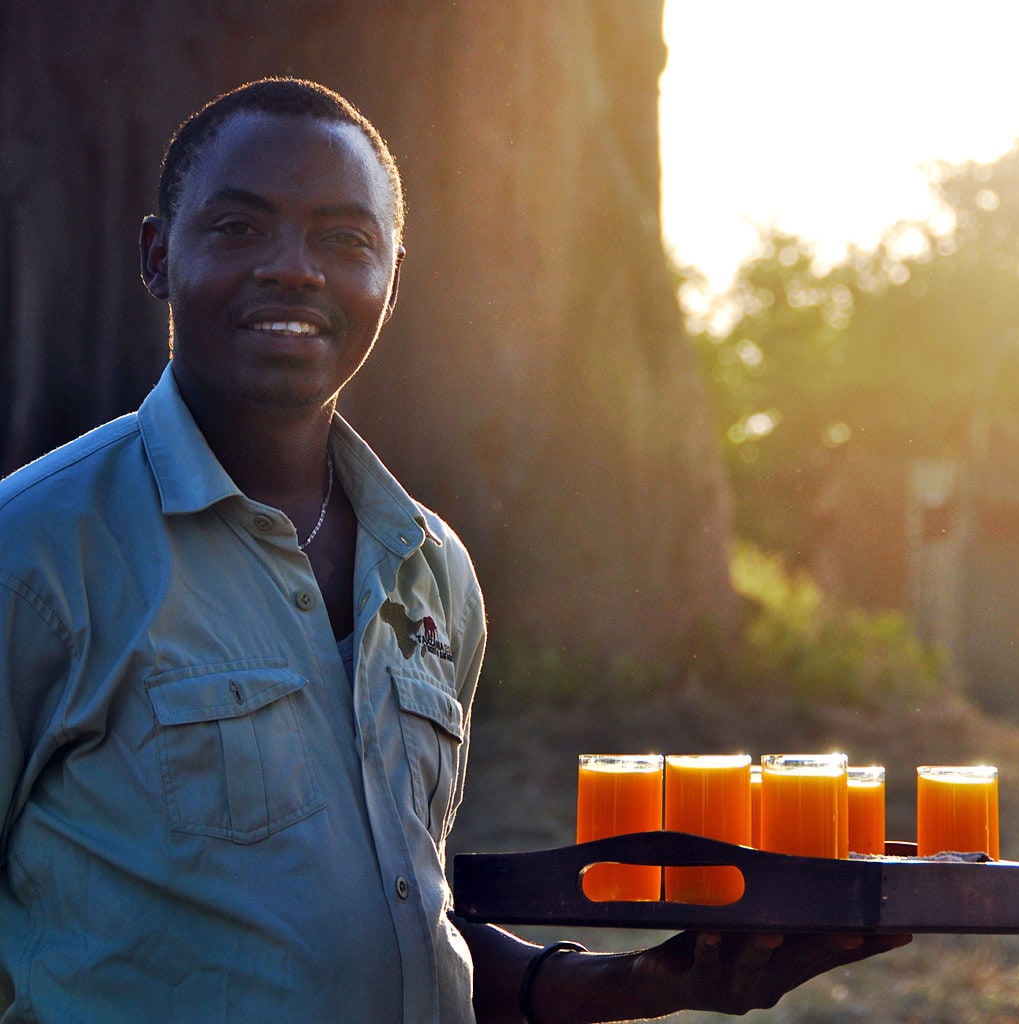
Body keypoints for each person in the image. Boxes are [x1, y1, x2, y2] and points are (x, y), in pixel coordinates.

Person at [0, 77, 909, 1023]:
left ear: (392, 278)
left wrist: (645, 983)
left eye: (344, 240)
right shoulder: (33, 556)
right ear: (158, 255)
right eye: (239, 228)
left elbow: (407, 917)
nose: (294, 270)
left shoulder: (430, 569)